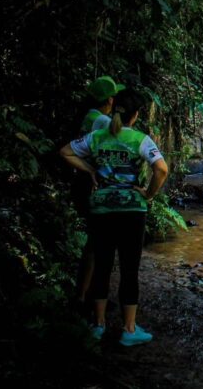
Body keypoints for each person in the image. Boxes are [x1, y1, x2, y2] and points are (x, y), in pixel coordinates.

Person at [59, 90, 168, 346]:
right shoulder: (140, 139)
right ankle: (129, 330)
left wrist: (91, 170)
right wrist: (148, 194)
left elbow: (65, 152)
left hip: (101, 209)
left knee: (103, 266)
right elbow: (161, 169)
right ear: (136, 115)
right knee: (130, 270)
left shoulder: (97, 137)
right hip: (132, 211)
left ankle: (98, 325)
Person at [71, 75, 126, 316]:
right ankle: (91, 299)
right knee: (100, 245)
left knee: (94, 244)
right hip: (96, 188)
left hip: (82, 184)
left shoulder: (88, 117)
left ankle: (83, 296)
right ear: (110, 99)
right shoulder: (103, 122)